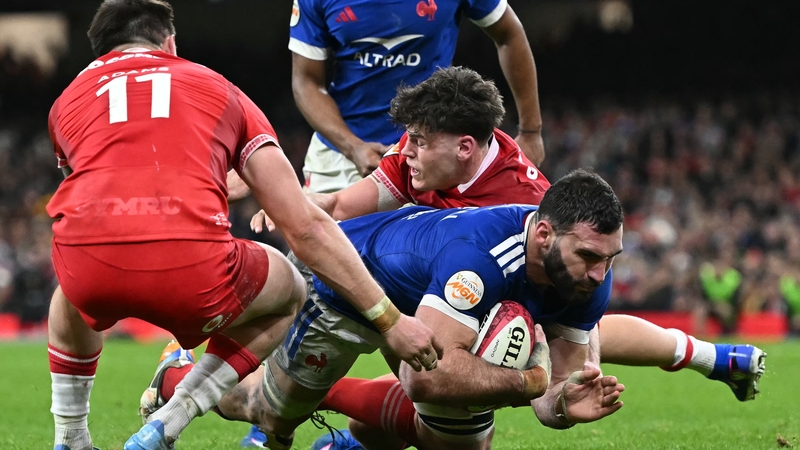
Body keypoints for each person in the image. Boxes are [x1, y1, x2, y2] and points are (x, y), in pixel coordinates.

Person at [241, 65, 766, 449]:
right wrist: (287, 199)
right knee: (435, 392)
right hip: (414, 281)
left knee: (471, 396)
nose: (407, 151)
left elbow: (571, 325)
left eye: (419, 141)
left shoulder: (523, 206)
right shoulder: (421, 156)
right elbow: (341, 206)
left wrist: (559, 388)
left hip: (489, 298)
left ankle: (329, 412)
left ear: (465, 147)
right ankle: (717, 357)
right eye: (411, 140)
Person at [44, 2, 441, 450]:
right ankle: (170, 420)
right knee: (290, 287)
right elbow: (305, 227)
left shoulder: (67, 101)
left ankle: (71, 437)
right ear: (170, 43)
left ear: (99, 52)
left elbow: (92, 199)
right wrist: (390, 321)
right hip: (194, 272)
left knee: (68, 294)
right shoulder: (217, 87)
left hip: (92, 270)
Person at [146, 169, 627, 450]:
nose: (599, 274)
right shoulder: (480, 259)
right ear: (543, 235)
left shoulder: (589, 278)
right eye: (588, 256)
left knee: (458, 446)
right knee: (269, 416)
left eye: (610, 259)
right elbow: (426, 379)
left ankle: (351, 442)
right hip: (348, 286)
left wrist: (562, 405)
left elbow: (553, 390)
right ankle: (175, 374)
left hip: (426, 310)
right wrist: (527, 384)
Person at [289, 0, 545, 194]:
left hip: (435, 151)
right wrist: (352, 146)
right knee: (316, 245)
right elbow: (306, 81)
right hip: (341, 153)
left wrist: (531, 132)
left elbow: (509, 33)